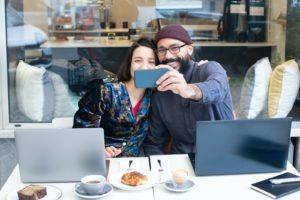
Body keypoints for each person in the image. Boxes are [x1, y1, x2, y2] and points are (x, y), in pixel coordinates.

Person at [143, 24, 234, 155]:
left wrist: (188, 89)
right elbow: (154, 143)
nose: (168, 56)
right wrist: (161, 169)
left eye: (175, 48)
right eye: (162, 50)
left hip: (222, 154)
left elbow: (218, 88)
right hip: (181, 161)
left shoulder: (209, 68)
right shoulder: (160, 93)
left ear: (190, 49)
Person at [73, 37, 158, 158]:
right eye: (138, 60)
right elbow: (81, 129)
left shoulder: (154, 96)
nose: (144, 67)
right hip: (101, 161)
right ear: (129, 64)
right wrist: (99, 149)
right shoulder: (107, 91)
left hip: (135, 164)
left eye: (151, 62)